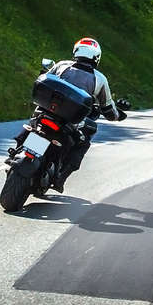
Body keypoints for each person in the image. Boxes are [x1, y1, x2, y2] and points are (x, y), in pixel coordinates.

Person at [48, 37, 125, 192]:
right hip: (71, 120)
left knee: (32, 124)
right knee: (84, 141)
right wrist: (117, 116)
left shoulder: (62, 65)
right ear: (96, 57)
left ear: (76, 51)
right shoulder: (99, 78)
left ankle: (18, 149)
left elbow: (47, 79)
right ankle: (60, 178)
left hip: (49, 110)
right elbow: (108, 107)